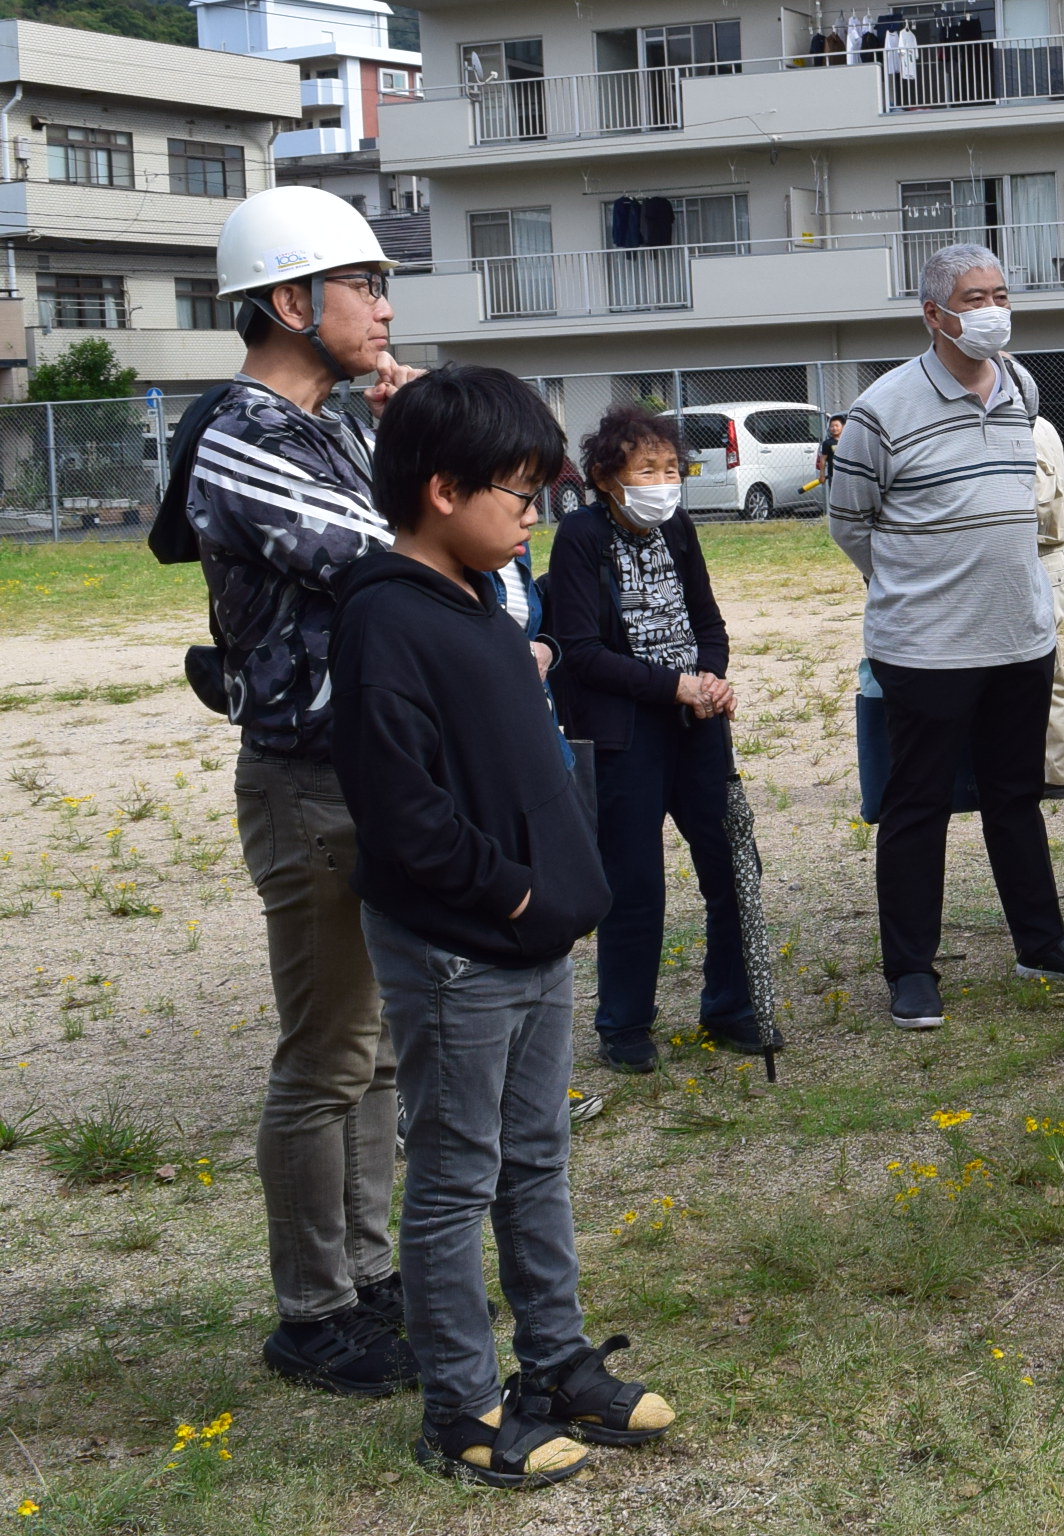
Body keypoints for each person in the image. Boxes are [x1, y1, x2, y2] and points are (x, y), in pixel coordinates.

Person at [330, 364, 673, 1490]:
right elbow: (402, 810)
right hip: (462, 947)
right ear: (442, 488)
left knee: (536, 1156)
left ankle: (556, 1361)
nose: (533, 516)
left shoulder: (479, 597)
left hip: (529, 945)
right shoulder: (385, 614)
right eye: (518, 493)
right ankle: (463, 1404)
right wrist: (514, 892)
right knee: (454, 1172)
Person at [180, 186, 422, 1399]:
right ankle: (311, 1310)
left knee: (372, 1053)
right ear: (290, 301)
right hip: (306, 779)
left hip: (374, 771)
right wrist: (440, 470)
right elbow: (403, 560)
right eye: (363, 283)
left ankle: (371, 1279)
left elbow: (449, 538)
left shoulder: (338, 424)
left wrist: (418, 438)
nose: (384, 305)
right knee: (326, 1053)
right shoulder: (244, 432)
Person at [828, 243, 1064, 1030]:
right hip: (925, 647)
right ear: (934, 315)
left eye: (1000, 293)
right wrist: (912, 587)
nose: (993, 309)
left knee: (1014, 797)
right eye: (974, 297)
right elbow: (850, 522)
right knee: (916, 806)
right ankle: (911, 972)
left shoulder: (1022, 385)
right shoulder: (881, 411)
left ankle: (1042, 941)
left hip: (1020, 637)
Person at [542, 404, 756, 1074]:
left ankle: (730, 1007)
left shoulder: (680, 528)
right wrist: (673, 686)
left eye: (672, 468)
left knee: (731, 864)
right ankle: (625, 1023)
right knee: (634, 881)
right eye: (648, 468)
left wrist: (712, 679)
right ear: (608, 476)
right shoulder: (580, 536)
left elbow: (709, 623)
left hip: (698, 725)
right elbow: (578, 651)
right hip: (625, 734)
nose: (664, 481)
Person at [1032, 412, 1064, 800]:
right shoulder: (1029, 425)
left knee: (1041, 672)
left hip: (1037, 560)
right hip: (1029, 561)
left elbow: (1034, 503)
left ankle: (1058, 775)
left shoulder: (1027, 429)